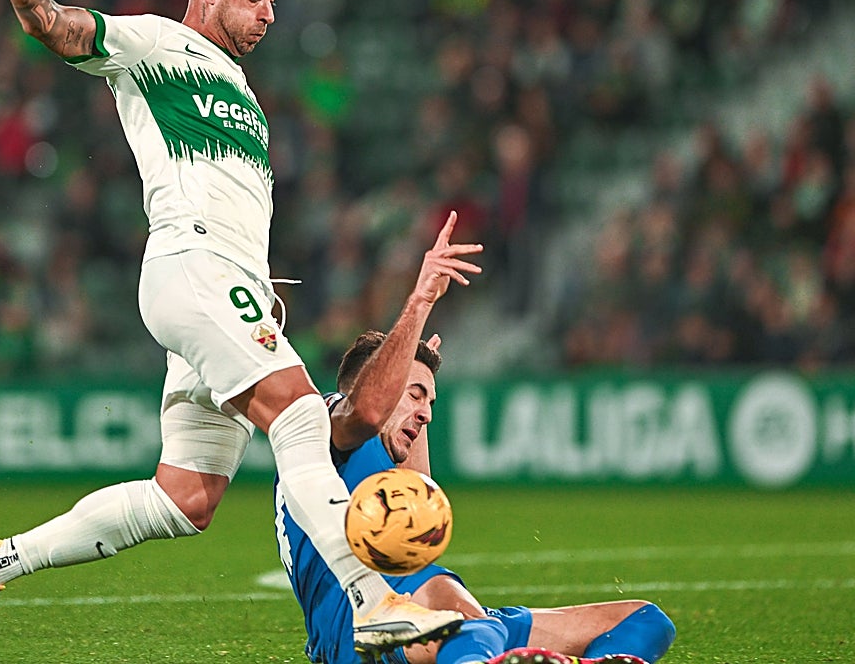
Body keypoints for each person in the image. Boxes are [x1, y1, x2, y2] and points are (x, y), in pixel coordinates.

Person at [0, 0, 468, 661]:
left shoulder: (245, 94)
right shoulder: (154, 44)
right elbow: (47, 20)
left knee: (187, 498)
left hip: (222, 283)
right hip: (194, 266)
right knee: (301, 415)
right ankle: (373, 601)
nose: (268, 14)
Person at [274, 219, 676, 664]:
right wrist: (421, 302)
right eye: (415, 395)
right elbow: (369, 409)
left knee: (646, 620)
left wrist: (418, 368)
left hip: (421, 602)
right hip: (362, 624)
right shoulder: (323, 424)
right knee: (474, 625)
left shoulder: (380, 461)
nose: (427, 413)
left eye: (430, 401)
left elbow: (422, 512)